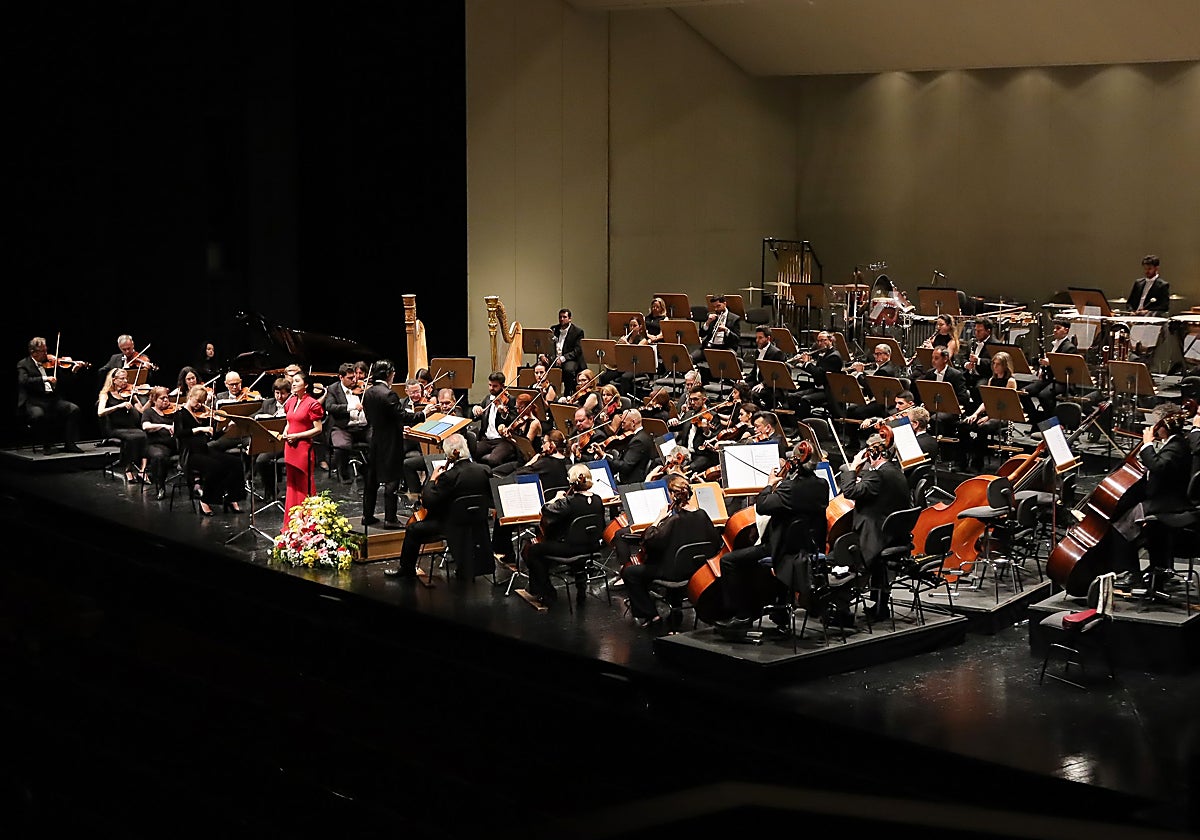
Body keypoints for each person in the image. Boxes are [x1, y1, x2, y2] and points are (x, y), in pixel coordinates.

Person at [714, 443, 829, 633]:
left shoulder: (789, 488)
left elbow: (762, 505)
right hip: (808, 546)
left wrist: (770, 483)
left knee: (729, 561)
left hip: (782, 549)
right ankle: (777, 610)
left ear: (794, 464)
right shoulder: (821, 485)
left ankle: (742, 616)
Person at [621, 473, 722, 631]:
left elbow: (650, 542)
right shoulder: (702, 514)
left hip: (672, 572)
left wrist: (658, 520)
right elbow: (716, 543)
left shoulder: (673, 520)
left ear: (673, 495)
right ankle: (674, 604)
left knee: (630, 572)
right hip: (697, 569)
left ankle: (650, 614)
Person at [385, 433, 492, 580]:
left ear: (452, 454)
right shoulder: (485, 470)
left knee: (412, 529)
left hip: (451, 525)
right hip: (477, 523)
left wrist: (433, 479)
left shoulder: (449, 476)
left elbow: (428, 501)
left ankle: (406, 569)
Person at [1110, 406, 1192, 596]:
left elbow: (1159, 465)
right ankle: (1147, 567)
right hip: (1164, 497)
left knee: (1121, 525)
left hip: (1169, 502)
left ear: (1164, 425)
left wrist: (1147, 445)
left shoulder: (1177, 445)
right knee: (1128, 516)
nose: (1153, 427)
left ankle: (1131, 572)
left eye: (1155, 423)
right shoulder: (1175, 442)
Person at [838, 432, 911, 621]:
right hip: (894, 534)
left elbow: (850, 491)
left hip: (875, 538)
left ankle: (841, 610)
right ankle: (880, 606)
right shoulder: (897, 472)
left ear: (873, 453)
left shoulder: (877, 476)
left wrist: (853, 468)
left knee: (839, 553)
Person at [522, 462, 607, 607]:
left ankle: (547, 592)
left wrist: (556, 498)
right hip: (591, 546)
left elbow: (545, 511)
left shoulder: (568, 502)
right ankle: (581, 590)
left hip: (570, 548)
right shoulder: (598, 500)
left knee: (533, 549)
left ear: (571, 482)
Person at [492, 429, 572, 565]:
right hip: (562, 509)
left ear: (551, 445)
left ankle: (505, 553)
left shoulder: (543, 463)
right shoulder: (568, 460)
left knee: (502, 511)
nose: (542, 446)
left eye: (544, 443)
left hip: (543, 509)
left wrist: (532, 461)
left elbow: (518, 474)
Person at [361, 360, 421, 529]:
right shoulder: (388, 394)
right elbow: (403, 416)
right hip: (390, 441)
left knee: (371, 480)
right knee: (392, 479)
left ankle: (367, 515)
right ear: (388, 374)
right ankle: (390, 518)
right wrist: (423, 414)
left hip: (374, 439)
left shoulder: (369, 392)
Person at [174, 384, 246, 516]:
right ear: (190, 397)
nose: (199, 405)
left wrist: (225, 429)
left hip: (204, 450)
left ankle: (232, 497)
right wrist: (200, 429)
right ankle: (205, 500)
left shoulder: (203, 415)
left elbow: (211, 436)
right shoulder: (180, 414)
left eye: (202, 402)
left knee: (235, 462)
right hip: (190, 455)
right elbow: (179, 434)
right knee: (216, 467)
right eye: (197, 401)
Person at [17, 336, 84, 454]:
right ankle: (47, 445)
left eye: (46, 350)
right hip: (34, 401)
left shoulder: (51, 363)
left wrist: (74, 371)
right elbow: (24, 381)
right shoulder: (23, 364)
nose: (46, 354)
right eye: (43, 351)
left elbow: (65, 381)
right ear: (33, 352)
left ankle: (70, 444)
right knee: (39, 415)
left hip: (52, 399)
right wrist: (44, 379)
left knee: (74, 409)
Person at [959, 351, 1020, 472]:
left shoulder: (1010, 382)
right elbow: (987, 402)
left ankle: (977, 463)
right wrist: (975, 414)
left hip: (1004, 416)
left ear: (1005, 366)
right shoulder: (992, 380)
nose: (995, 367)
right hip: (991, 414)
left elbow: (1007, 405)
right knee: (964, 425)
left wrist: (989, 417)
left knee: (983, 428)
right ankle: (962, 462)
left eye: (998, 364)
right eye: (994, 364)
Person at [280, 371, 325, 526]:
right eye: (292, 381)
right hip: (290, 446)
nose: (293, 383)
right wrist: (286, 431)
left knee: (303, 484)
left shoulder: (312, 403)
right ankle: (291, 523)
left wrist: (298, 436)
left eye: (297, 381)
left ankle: (307, 523)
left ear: (305, 385)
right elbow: (289, 421)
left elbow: (318, 429)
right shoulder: (291, 401)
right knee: (291, 485)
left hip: (302, 448)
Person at [96, 367, 149, 483]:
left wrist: (146, 399)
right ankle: (128, 469)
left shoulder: (129, 393)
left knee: (144, 435)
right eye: (122, 379)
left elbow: (142, 411)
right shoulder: (106, 394)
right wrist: (118, 406)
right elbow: (100, 412)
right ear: (114, 380)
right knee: (132, 438)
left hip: (131, 427)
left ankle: (142, 471)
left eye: (126, 378)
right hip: (115, 428)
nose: (125, 381)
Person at [323, 362, 370, 483]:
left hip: (364, 427)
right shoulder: (333, 389)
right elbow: (330, 407)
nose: (354, 380)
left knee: (379, 440)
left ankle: (368, 470)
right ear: (341, 377)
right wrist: (351, 406)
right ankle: (343, 474)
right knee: (341, 446)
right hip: (342, 427)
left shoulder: (362, 388)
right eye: (350, 378)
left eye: (355, 376)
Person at [1024, 318, 1078, 422]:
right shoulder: (1054, 344)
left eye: (1058, 328)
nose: (1054, 330)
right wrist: (1042, 368)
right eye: (1054, 328)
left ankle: (1053, 422)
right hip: (1049, 378)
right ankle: (1037, 419)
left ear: (1066, 330)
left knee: (1044, 396)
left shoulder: (1069, 347)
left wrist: (1050, 363)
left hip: (1062, 381)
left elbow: (1067, 367)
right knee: (1023, 392)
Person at [915, 346, 970, 437]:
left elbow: (962, 397)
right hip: (933, 408)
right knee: (915, 416)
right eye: (932, 358)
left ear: (945, 359)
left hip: (950, 410)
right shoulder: (930, 373)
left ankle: (940, 444)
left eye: (936, 358)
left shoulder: (956, 375)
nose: (933, 361)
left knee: (935, 418)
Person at [251, 378, 291, 501]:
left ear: (289, 393)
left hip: (286, 441)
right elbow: (253, 416)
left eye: (283, 393)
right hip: (270, 440)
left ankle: (271, 491)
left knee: (261, 460)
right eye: (277, 393)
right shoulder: (268, 403)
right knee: (257, 457)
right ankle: (271, 489)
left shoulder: (293, 403)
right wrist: (259, 416)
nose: (280, 396)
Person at [789, 330, 843, 419]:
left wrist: (807, 363)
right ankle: (794, 421)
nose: (820, 343)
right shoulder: (822, 353)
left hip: (829, 391)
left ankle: (804, 422)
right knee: (792, 396)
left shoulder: (834, 356)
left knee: (805, 399)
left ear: (831, 341)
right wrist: (801, 364)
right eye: (818, 341)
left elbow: (820, 374)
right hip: (819, 388)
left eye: (823, 340)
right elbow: (815, 371)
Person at [472, 371, 517, 468]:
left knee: (494, 460)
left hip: (502, 440)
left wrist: (503, 414)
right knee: (470, 453)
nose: (491, 388)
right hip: (486, 439)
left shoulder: (510, 400)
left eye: (495, 386)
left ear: (502, 386)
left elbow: (513, 420)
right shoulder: (487, 399)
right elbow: (476, 418)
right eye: (490, 385)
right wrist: (475, 410)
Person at [140, 386, 177, 500]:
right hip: (155, 445)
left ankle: (196, 486)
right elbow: (146, 426)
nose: (166, 400)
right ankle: (160, 486)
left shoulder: (173, 412)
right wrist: (164, 425)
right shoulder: (149, 412)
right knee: (159, 457)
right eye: (162, 398)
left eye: (167, 398)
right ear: (154, 400)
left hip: (174, 445)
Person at [692, 295, 741, 377]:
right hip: (709, 346)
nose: (716, 309)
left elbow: (737, 339)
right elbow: (701, 334)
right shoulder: (711, 316)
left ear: (724, 304)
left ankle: (726, 380)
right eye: (714, 307)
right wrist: (707, 323)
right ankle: (697, 378)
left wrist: (726, 330)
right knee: (690, 358)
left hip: (726, 347)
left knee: (731, 360)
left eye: (718, 306)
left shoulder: (734, 318)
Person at [601, 408, 654, 484]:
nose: (621, 426)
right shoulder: (641, 435)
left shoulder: (638, 441)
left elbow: (625, 467)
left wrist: (604, 456)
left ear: (633, 422)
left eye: (623, 423)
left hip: (628, 482)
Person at [539, 308, 585, 386]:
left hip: (569, 359)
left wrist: (563, 358)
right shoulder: (553, 329)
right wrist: (542, 355)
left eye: (564, 317)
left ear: (570, 319)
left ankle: (568, 392)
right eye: (560, 317)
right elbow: (547, 344)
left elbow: (577, 350)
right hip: (554, 359)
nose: (561, 319)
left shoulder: (578, 332)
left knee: (568, 370)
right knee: (538, 366)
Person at [748, 325, 789, 409]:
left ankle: (759, 414)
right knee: (740, 388)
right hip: (758, 382)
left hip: (771, 386)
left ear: (768, 338)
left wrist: (763, 384)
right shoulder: (757, 351)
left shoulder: (776, 353)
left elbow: (778, 374)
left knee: (753, 394)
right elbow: (754, 372)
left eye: (760, 338)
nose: (757, 340)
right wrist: (743, 380)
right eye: (757, 338)